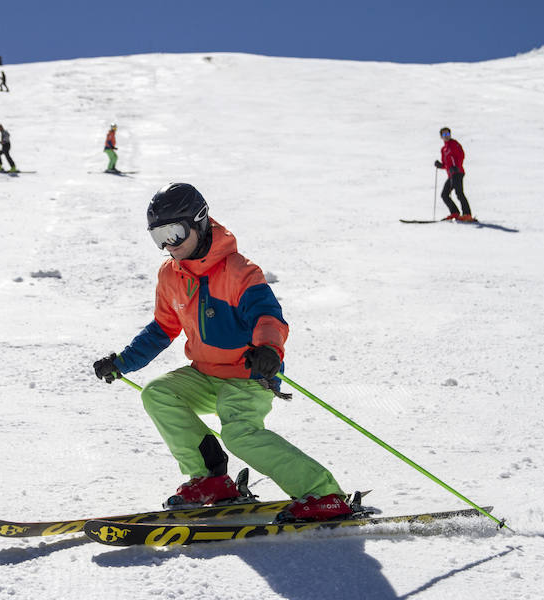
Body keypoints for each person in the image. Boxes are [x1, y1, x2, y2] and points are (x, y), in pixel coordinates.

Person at [92, 183, 354, 523]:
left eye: (174, 233)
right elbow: (162, 328)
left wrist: (268, 350)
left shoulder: (240, 271)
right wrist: (123, 362)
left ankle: (324, 494)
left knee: (238, 432)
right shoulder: (170, 275)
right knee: (158, 393)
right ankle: (210, 479)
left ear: (199, 221)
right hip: (206, 373)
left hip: (250, 374)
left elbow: (267, 317)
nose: (169, 246)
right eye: (159, 238)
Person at [434, 127, 474, 221]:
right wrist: (440, 165)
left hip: (458, 173)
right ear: (441, 137)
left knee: (459, 193)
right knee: (444, 194)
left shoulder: (454, 144)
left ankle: (467, 214)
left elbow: (461, 155)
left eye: (447, 134)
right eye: (444, 135)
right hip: (451, 174)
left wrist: (456, 166)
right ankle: (455, 213)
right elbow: (446, 164)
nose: (446, 136)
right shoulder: (443, 149)